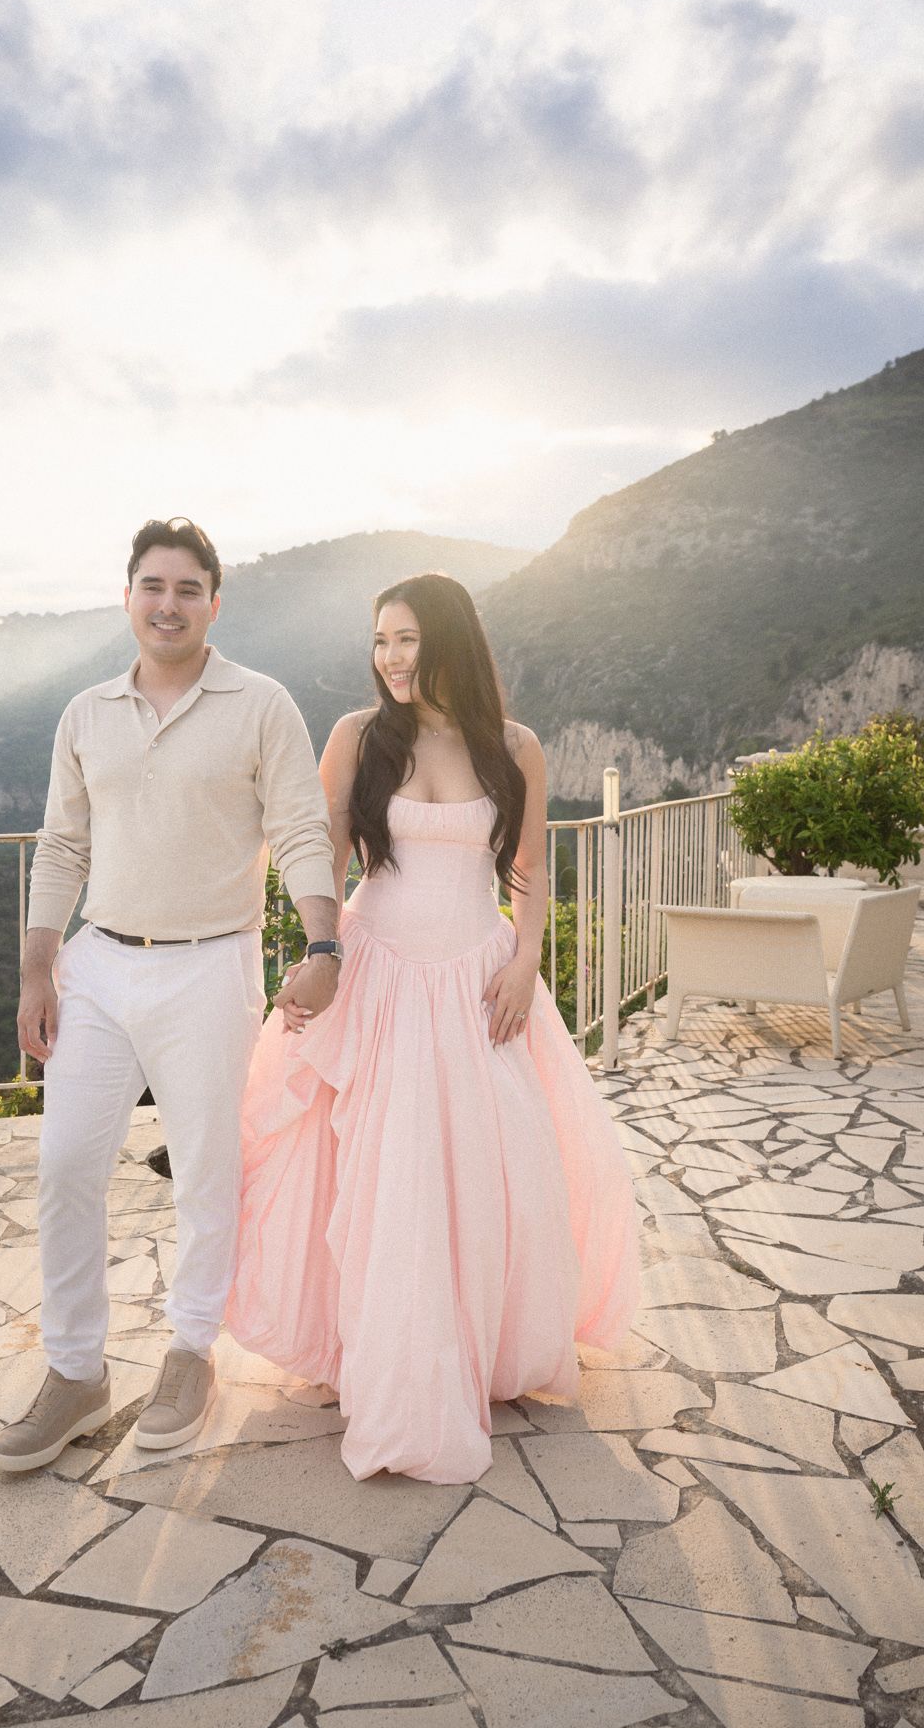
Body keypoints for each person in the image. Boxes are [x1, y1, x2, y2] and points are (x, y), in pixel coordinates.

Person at [227, 573, 641, 1485]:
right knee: (382, 1172)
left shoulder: (514, 747)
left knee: (492, 1162)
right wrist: (318, 952)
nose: (390, 658)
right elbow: (323, 858)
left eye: (406, 639)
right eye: (380, 641)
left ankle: (481, 1350)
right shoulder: (359, 738)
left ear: (448, 639)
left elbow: (529, 869)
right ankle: (383, 1354)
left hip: (475, 976)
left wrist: (526, 961)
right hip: (378, 970)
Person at [0, 517, 341, 1471]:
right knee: (65, 1163)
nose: (168, 603)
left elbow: (302, 826)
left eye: (188, 589)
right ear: (129, 597)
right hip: (97, 964)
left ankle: (191, 1351)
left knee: (205, 1172)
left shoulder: (261, 703)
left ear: (213, 603)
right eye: (153, 585)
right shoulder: (86, 712)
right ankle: (75, 1372)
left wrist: (323, 939)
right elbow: (61, 845)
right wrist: (37, 969)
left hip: (208, 964)